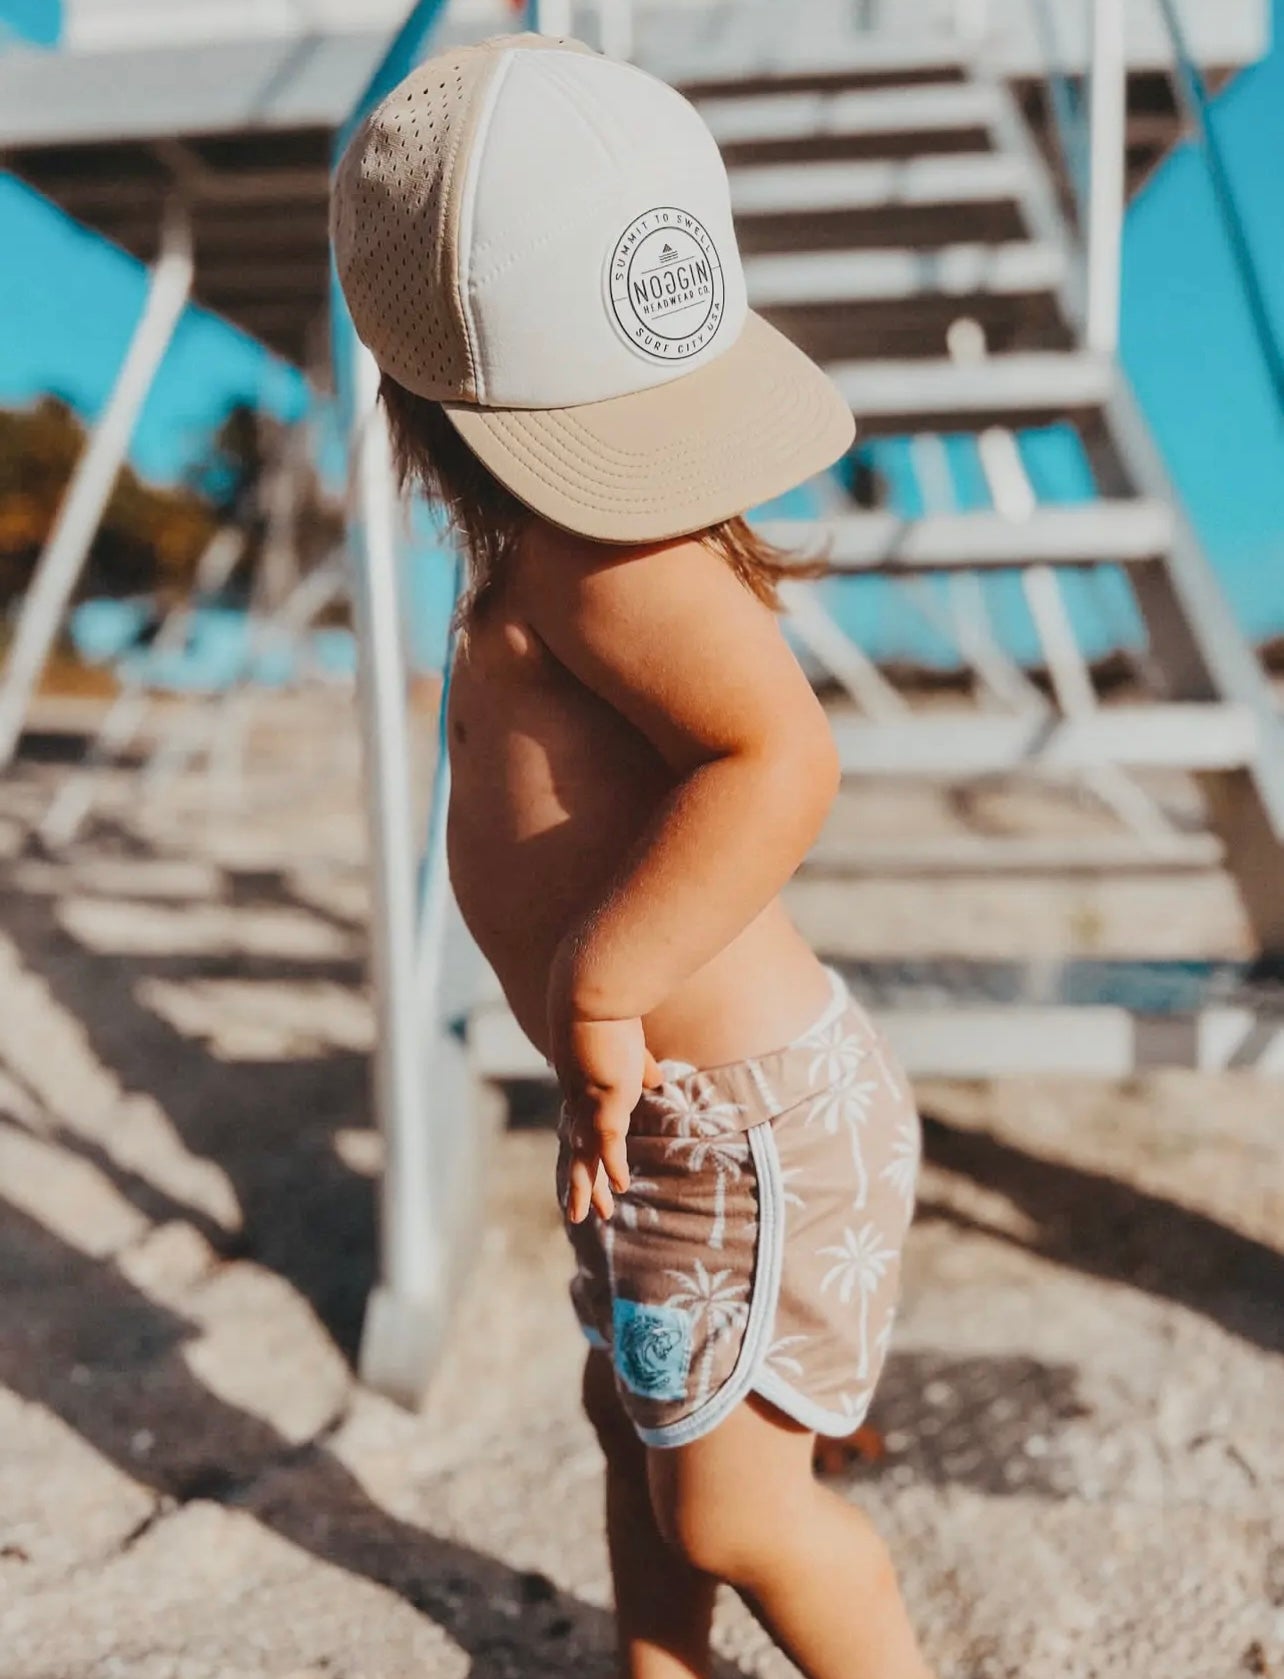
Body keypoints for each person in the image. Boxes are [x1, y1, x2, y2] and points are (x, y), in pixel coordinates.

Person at [333, 33, 932, 1679]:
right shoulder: (542, 559)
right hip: (660, 1121)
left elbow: (781, 757)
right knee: (640, 1424)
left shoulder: (606, 561)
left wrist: (596, 989)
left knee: (736, 1515)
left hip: (744, 1129)